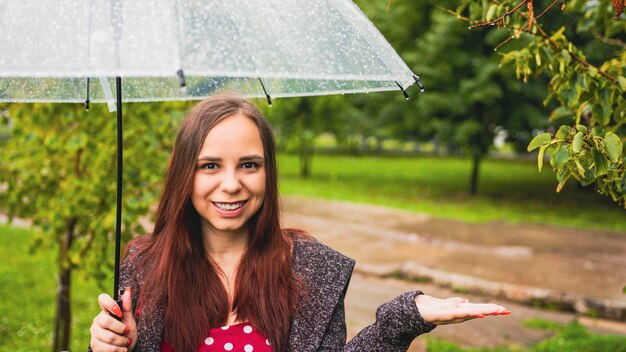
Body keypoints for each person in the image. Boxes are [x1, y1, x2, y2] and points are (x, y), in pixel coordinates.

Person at [89, 94, 510, 352]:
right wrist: (107, 348)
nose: (231, 184)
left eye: (249, 164)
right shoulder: (145, 265)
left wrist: (404, 318)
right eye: (210, 165)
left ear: (268, 172)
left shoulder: (310, 269)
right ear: (185, 173)